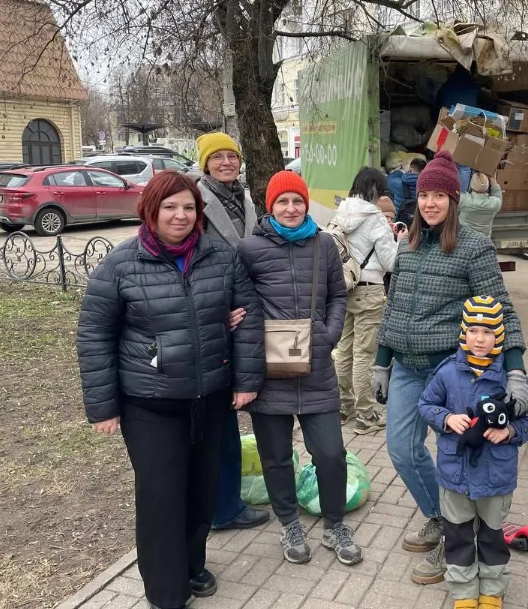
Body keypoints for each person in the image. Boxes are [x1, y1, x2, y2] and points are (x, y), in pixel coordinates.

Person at [77, 171, 265, 609]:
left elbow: (248, 315)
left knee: (201, 489)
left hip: (210, 396)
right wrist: (102, 406)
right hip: (150, 403)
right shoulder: (121, 264)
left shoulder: (220, 255)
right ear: (151, 210)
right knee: (161, 497)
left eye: (188, 207)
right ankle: (167, 592)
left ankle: (192, 564)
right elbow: (94, 336)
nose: (180, 215)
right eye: (170, 207)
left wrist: (246, 380)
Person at [372, 150, 528, 585]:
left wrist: (515, 372)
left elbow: (504, 312)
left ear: (454, 200)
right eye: (425, 194)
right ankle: (443, 519)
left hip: (452, 374)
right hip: (406, 368)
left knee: (457, 457)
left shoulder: (474, 248)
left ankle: (457, 537)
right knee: (402, 449)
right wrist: (381, 363)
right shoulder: (408, 246)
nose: (431, 203)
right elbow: (394, 311)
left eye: (440, 195)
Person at [238, 171, 361, 566]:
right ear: (269, 206)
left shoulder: (324, 244)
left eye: (297, 201)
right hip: (269, 371)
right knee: (275, 456)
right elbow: (238, 303)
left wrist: (329, 334)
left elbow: (338, 294)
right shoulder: (249, 249)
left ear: (306, 204)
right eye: (282, 202)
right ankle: (289, 523)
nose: (291, 209)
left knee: (330, 453)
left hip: (316, 367)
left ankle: (334, 524)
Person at [418, 297, 528, 609]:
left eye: (488, 331)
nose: (480, 338)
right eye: (473, 330)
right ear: (464, 333)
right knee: (457, 535)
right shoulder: (447, 373)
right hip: (454, 475)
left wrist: (509, 431)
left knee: (492, 536)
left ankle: (492, 590)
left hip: (495, 477)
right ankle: (463, 591)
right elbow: (425, 405)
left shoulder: (513, 379)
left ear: (498, 336)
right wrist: (446, 418)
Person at [194, 131, 269, 532]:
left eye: (231, 156)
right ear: (204, 163)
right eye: (217, 157)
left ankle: (224, 503)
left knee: (228, 419)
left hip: (244, 311)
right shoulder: (197, 201)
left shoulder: (243, 197)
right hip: (216, 316)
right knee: (216, 424)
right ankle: (221, 509)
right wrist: (213, 314)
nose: (226, 162)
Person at [329, 167, 406, 434]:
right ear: (375, 189)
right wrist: (400, 241)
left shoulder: (341, 212)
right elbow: (391, 262)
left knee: (343, 349)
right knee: (364, 353)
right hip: (370, 290)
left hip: (344, 287)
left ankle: (343, 406)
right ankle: (365, 415)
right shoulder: (374, 218)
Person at [459, 172, 503, 239]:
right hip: (484, 240)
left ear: (471, 185)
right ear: (487, 186)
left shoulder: (464, 200)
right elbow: (498, 194)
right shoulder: (494, 203)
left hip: (465, 239)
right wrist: (493, 180)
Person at [389, 157, 426, 225]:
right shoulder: (427, 187)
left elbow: (389, 180)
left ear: (410, 169)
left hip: (400, 221)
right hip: (419, 223)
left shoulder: (397, 183)